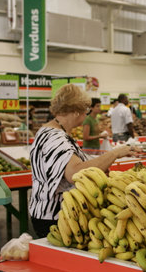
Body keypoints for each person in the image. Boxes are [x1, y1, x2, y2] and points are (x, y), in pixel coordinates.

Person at [29, 84, 139, 238]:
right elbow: (75, 172)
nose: (85, 115)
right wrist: (114, 154)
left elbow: (68, 164)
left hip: (45, 211)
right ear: (75, 111)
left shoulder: (46, 131)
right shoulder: (56, 138)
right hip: (55, 216)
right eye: (85, 111)